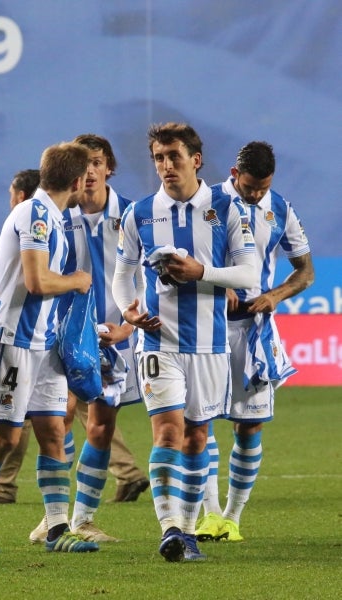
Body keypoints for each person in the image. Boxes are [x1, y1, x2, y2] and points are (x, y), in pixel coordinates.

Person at [112, 122, 259, 562]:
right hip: (159, 342)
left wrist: (203, 273)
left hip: (211, 344)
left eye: (174, 156)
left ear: (196, 159)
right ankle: (170, 528)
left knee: (197, 438)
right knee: (168, 432)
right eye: (159, 157)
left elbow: (249, 274)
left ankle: (189, 529)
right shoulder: (139, 213)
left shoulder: (226, 208)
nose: (166, 165)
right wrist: (129, 310)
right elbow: (122, 275)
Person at [0, 143, 97, 554]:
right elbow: (37, 282)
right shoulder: (34, 214)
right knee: (6, 437)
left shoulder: (55, 216)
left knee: (53, 430)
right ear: (75, 180)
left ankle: (56, 529)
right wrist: (77, 281)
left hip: (42, 343)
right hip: (12, 340)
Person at [0, 168, 149, 507]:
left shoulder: (45, 220)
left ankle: (2, 489)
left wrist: (78, 284)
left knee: (39, 416)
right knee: (72, 412)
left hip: (45, 333)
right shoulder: (52, 221)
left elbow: (39, 282)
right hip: (60, 330)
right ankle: (117, 479)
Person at [195, 141, 314, 542]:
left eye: (262, 187)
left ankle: (232, 518)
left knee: (251, 427)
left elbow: (305, 272)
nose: (256, 194)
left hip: (255, 330)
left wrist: (275, 295)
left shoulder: (279, 208)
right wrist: (215, 282)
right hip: (208, 326)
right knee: (202, 421)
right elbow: (188, 258)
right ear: (234, 174)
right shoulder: (206, 202)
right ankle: (209, 514)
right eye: (249, 187)